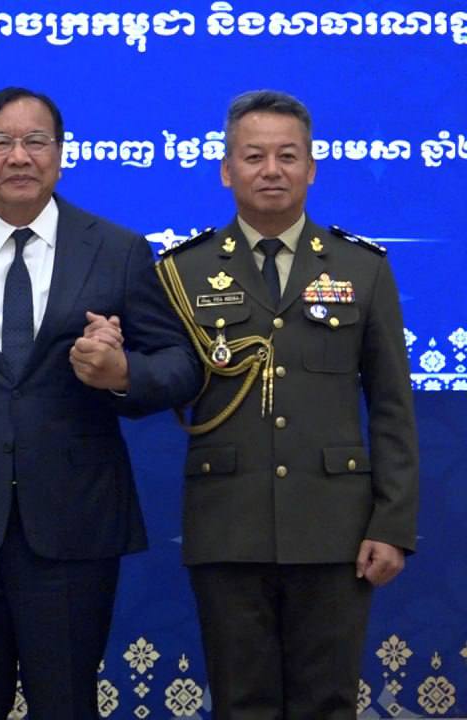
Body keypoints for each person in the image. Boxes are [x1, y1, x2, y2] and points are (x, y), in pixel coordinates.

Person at [0, 87, 201, 719]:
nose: (19, 157)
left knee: (66, 704)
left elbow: (179, 366)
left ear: (60, 156)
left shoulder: (116, 249)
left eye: (36, 142)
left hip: (74, 518)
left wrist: (121, 372)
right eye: (0, 143)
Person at [155, 89, 418, 719]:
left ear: (312, 168)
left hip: (335, 528)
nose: (271, 170)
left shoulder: (362, 267)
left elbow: (391, 406)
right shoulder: (182, 272)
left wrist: (392, 524)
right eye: (254, 156)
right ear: (227, 171)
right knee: (241, 703)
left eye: (288, 156)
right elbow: (163, 379)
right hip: (228, 526)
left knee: (328, 703)